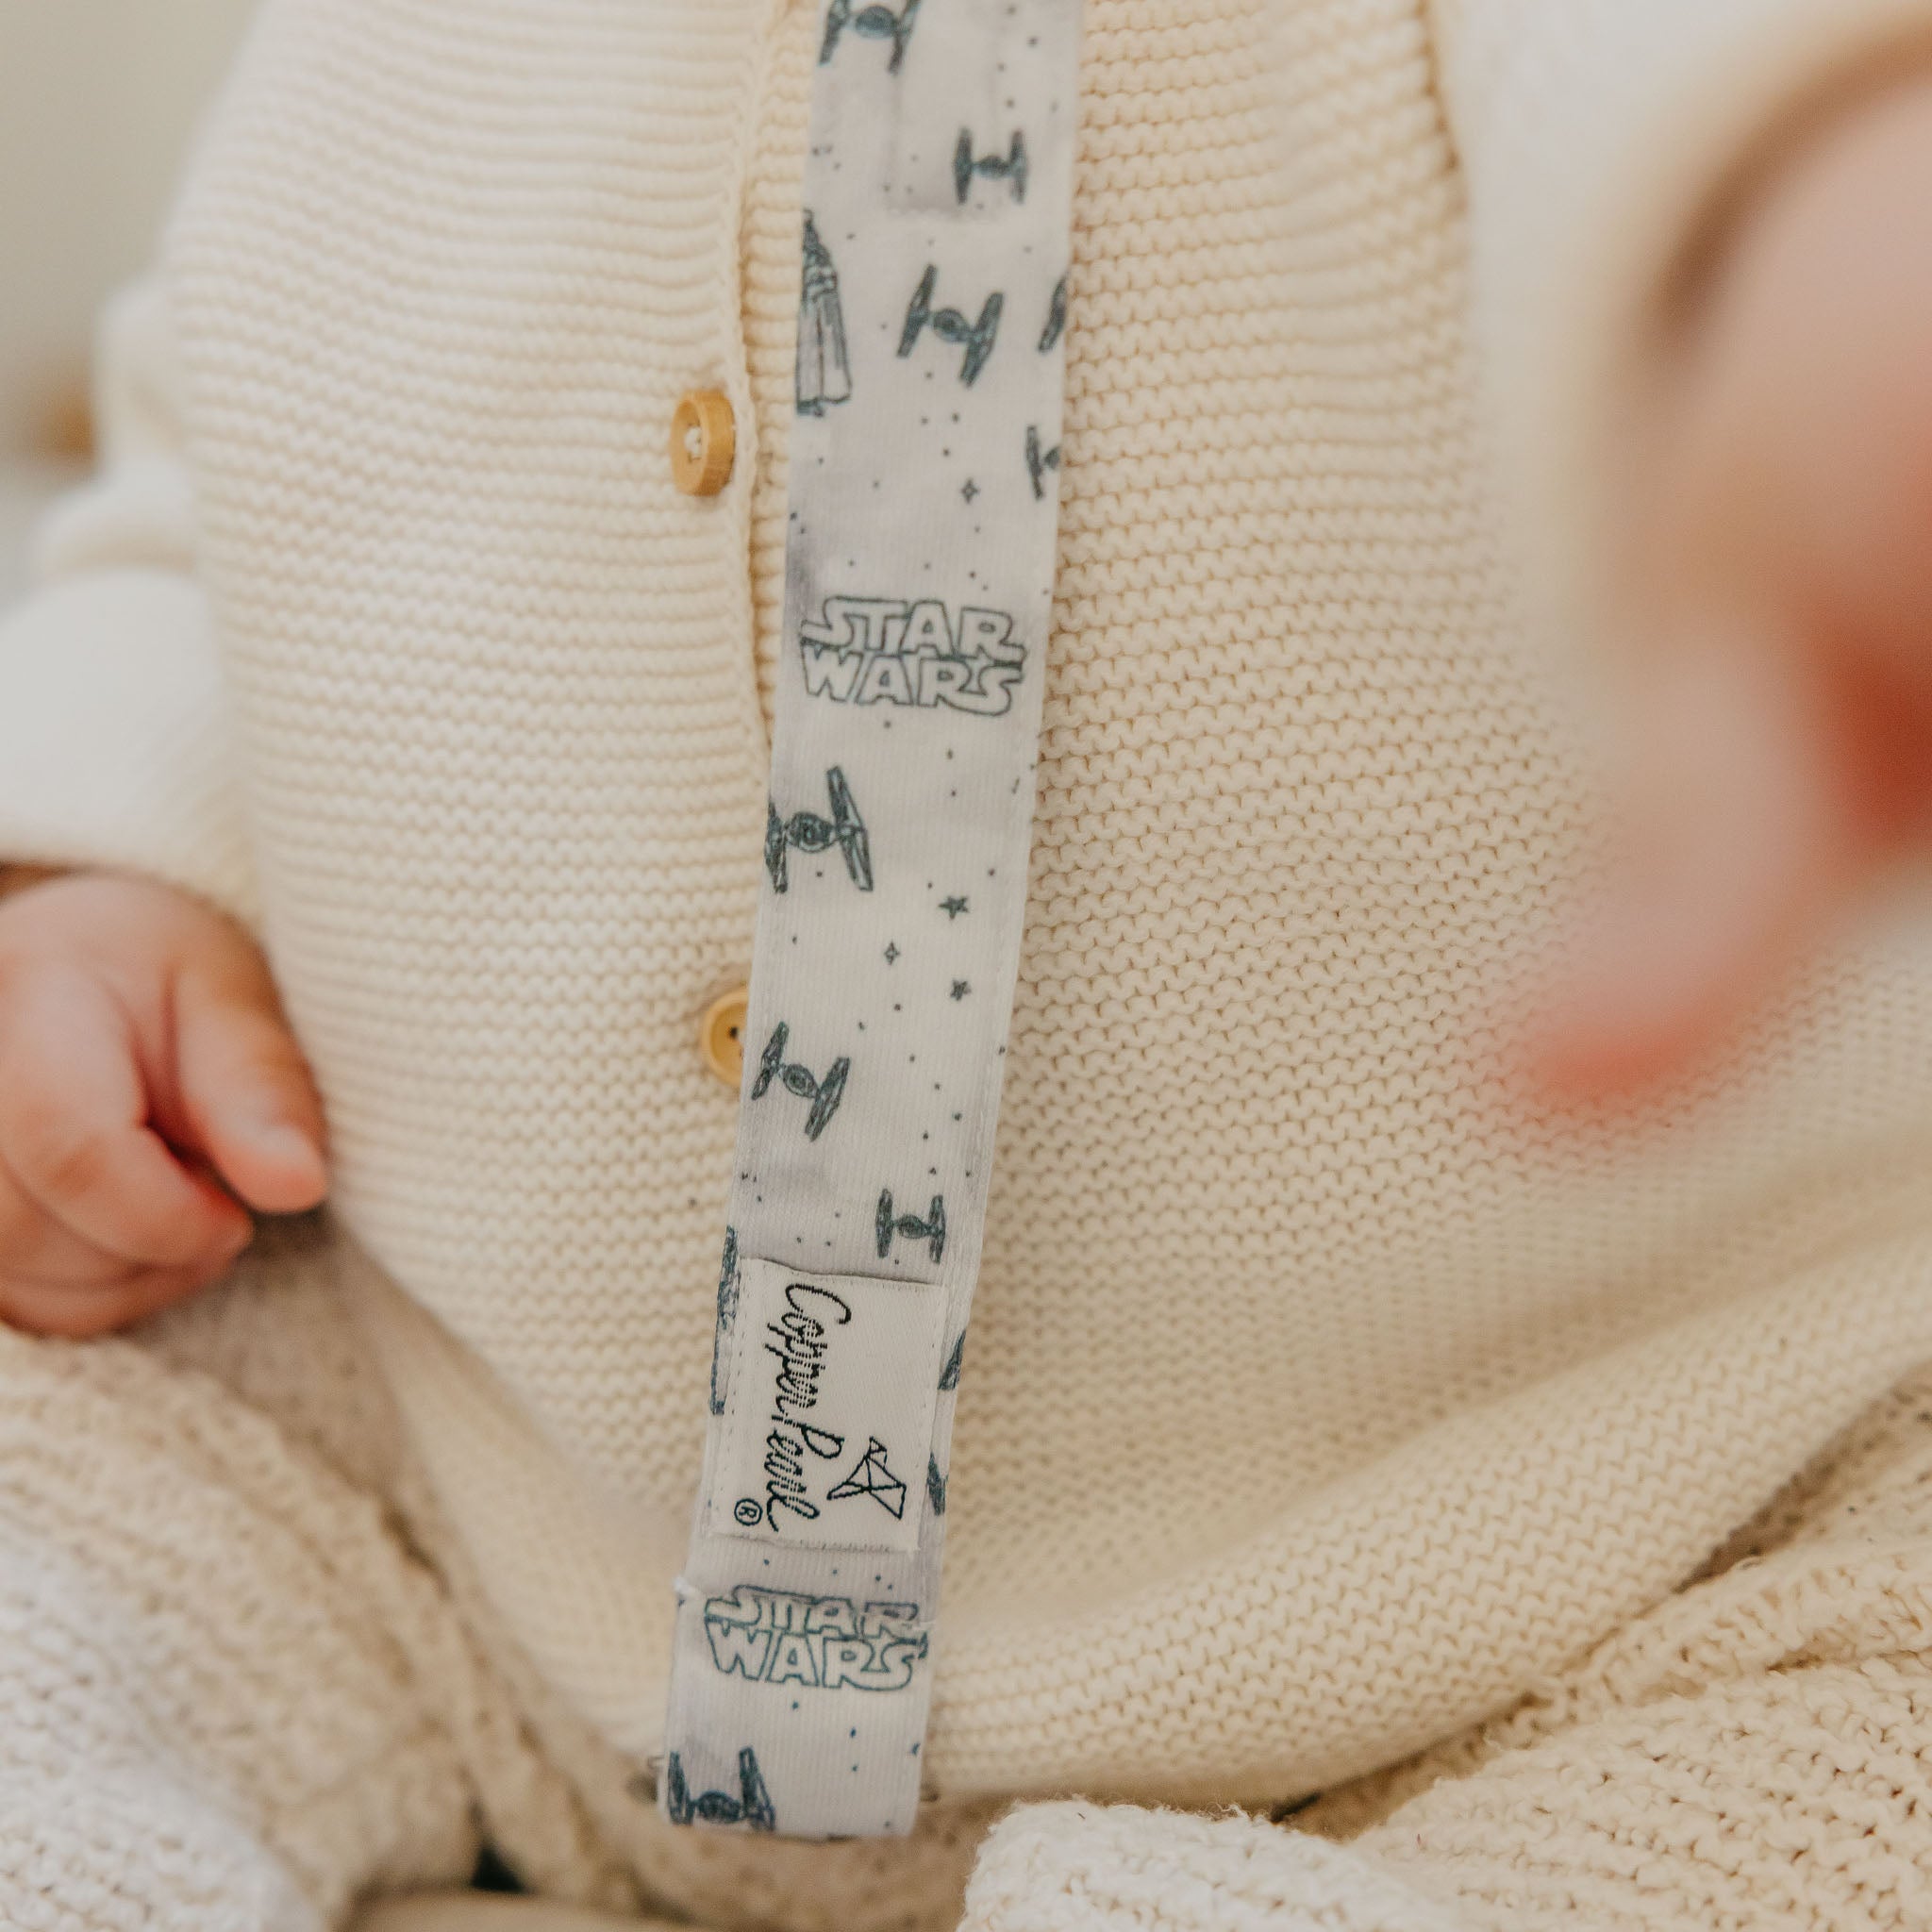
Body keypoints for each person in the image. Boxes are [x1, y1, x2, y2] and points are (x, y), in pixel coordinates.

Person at [2, 2, 1932, 1926]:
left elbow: (1716, 81)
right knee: (61, 1477)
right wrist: (114, 868)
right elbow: (225, 480)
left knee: (1854, 1789)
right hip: (482, 1504)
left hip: (1597, 1550)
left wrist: (1837, 225)